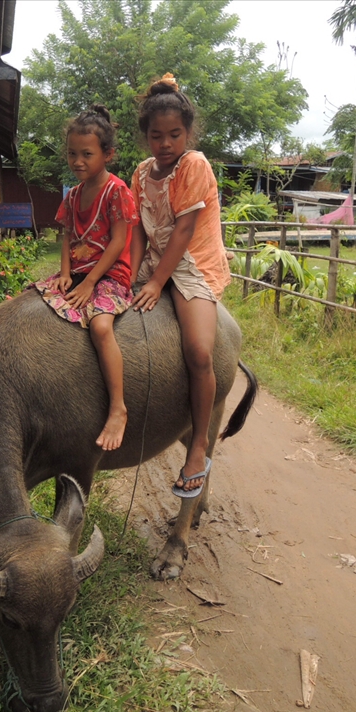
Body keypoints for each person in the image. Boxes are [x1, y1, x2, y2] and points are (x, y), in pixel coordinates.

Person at [130, 73, 231, 498]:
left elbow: (185, 230)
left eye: (175, 134)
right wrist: (130, 275)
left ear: (188, 133)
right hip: (155, 259)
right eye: (157, 136)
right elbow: (138, 229)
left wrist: (156, 283)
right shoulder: (141, 173)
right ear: (146, 138)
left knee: (199, 351)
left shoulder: (194, 166)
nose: (166, 143)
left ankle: (199, 444)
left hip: (192, 264)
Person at [33, 104, 139, 451]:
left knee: (100, 327)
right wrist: (65, 274)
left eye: (87, 154)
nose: (78, 161)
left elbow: (120, 242)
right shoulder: (74, 194)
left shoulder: (116, 191)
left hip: (110, 274)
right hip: (78, 271)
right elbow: (65, 235)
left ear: (107, 154)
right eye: (72, 154)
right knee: (30, 302)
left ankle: (118, 407)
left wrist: (91, 282)